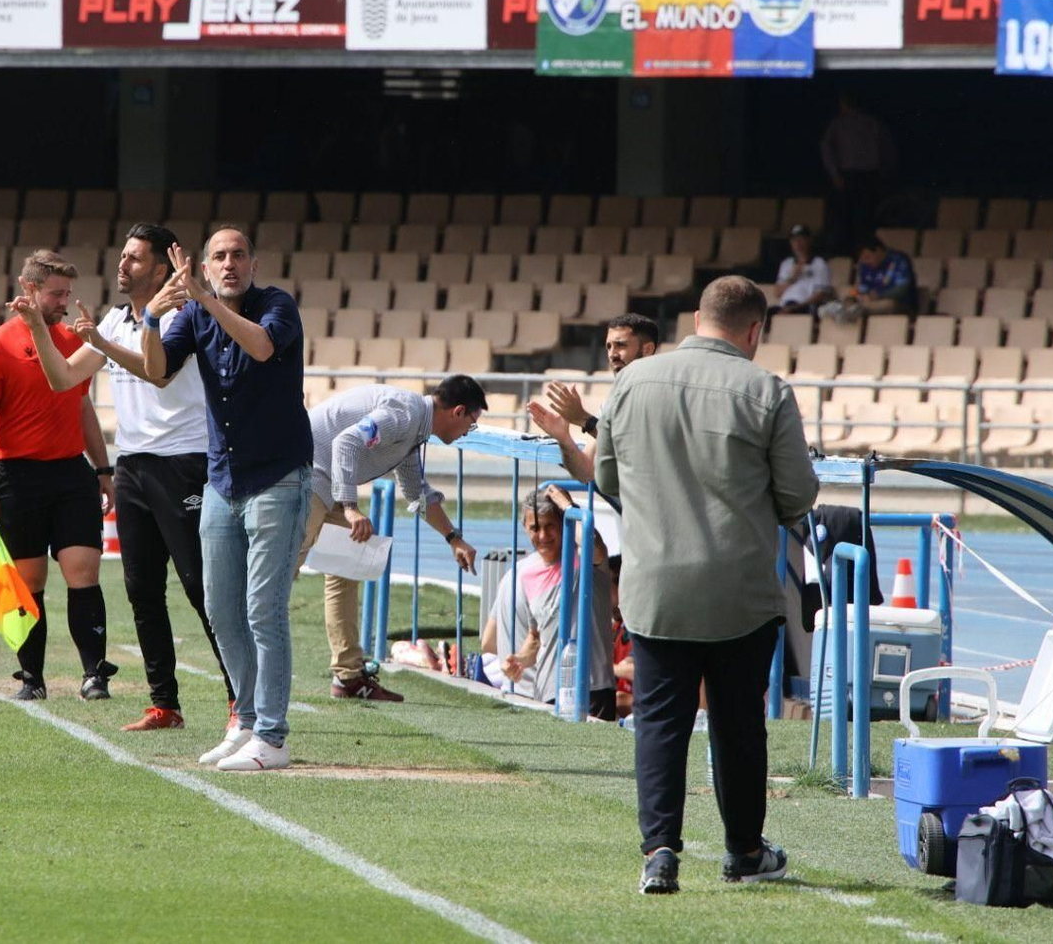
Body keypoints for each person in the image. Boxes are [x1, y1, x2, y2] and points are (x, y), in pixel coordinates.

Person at [595, 276, 819, 896]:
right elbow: (798, 495)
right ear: (755, 331)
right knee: (739, 725)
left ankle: (659, 851)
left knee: (659, 723)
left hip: (655, 586)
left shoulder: (632, 382)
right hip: (738, 588)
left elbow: (608, 479)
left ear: (696, 319)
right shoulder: (767, 390)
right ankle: (744, 850)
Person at [12, 223, 234, 734]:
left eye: (135, 258)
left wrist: (101, 342)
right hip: (133, 464)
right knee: (142, 590)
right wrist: (38, 328)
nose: (123, 264)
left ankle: (240, 699)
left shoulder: (183, 315)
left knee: (201, 588)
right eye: (124, 255)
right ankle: (164, 705)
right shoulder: (114, 319)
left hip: (184, 463)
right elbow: (63, 378)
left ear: (160, 269)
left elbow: (159, 372)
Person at [142, 228, 314, 772]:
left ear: (253, 263)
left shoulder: (277, 306)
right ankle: (245, 722)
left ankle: (273, 737)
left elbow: (261, 347)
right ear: (207, 266)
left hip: (279, 478)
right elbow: (157, 372)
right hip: (222, 480)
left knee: (264, 609)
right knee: (220, 607)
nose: (229, 263)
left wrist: (204, 299)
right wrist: (151, 318)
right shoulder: (195, 313)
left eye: (238, 255)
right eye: (219, 256)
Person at [0, 250, 117, 702]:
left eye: (68, 294)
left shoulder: (72, 341)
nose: (64, 303)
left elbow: (83, 408)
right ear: (28, 289)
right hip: (16, 478)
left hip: (71, 474)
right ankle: (32, 677)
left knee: (83, 570)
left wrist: (103, 469)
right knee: (29, 582)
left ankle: (94, 675)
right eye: (56, 294)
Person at [298, 376, 486, 701]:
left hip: (329, 479)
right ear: (458, 411)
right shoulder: (406, 414)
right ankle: (243, 659)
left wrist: (453, 538)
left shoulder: (413, 431)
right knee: (279, 572)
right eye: (472, 422)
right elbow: (346, 443)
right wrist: (351, 507)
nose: (469, 431)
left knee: (345, 573)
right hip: (307, 472)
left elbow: (416, 494)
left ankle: (348, 677)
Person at [478, 486, 616, 720]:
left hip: (593, 688)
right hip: (547, 692)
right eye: (535, 528)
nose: (542, 536)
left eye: (550, 526)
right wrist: (520, 660)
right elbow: (535, 638)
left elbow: (592, 541)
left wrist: (569, 508)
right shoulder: (526, 574)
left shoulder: (584, 558)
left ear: (563, 524)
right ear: (525, 527)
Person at [526, 313, 659, 483]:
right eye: (609, 347)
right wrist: (564, 440)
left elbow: (632, 449)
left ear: (647, 349)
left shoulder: (662, 395)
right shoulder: (613, 400)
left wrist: (583, 419)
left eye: (620, 345)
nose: (612, 354)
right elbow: (586, 472)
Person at [820, 94, 896, 255]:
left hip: (855, 177)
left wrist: (834, 174)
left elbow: (826, 150)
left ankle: (859, 254)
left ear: (844, 104)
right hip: (862, 176)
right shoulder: (870, 123)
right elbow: (887, 150)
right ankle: (853, 254)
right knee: (858, 219)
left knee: (854, 220)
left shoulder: (846, 123)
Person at [821, 237, 916, 320]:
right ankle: (847, 307)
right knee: (843, 289)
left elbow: (902, 288)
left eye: (868, 257)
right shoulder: (865, 265)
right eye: (863, 259)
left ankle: (850, 310)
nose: (866, 262)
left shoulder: (898, 259)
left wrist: (879, 295)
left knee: (888, 304)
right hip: (868, 301)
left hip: (897, 302)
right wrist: (855, 295)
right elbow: (863, 287)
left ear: (878, 251)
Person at [772, 225, 834, 315]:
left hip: (805, 306)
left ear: (809, 240)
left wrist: (796, 307)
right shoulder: (786, 263)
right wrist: (793, 278)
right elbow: (777, 293)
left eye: (801, 239)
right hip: (784, 305)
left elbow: (820, 295)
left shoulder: (819, 263)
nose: (798, 243)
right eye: (794, 240)